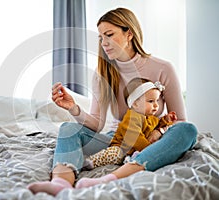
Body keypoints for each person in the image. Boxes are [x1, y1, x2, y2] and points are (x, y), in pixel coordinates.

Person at [27, 7, 197, 195]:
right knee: (68, 128)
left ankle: (110, 178)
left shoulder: (163, 68)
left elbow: (180, 119)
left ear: (129, 34)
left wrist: (159, 131)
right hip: (116, 140)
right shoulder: (102, 74)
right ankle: (61, 182)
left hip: (150, 141)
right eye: (100, 38)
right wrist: (74, 108)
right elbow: (96, 124)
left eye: (109, 35)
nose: (104, 43)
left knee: (188, 130)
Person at [83, 77, 177, 170]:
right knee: (115, 154)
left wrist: (166, 119)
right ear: (135, 104)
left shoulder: (150, 118)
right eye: (151, 101)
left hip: (133, 151)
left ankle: (130, 161)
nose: (156, 105)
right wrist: (151, 150)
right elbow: (137, 140)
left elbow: (158, 124)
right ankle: (92, 161)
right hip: (122, 148)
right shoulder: (131, 118)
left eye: (157, 100)